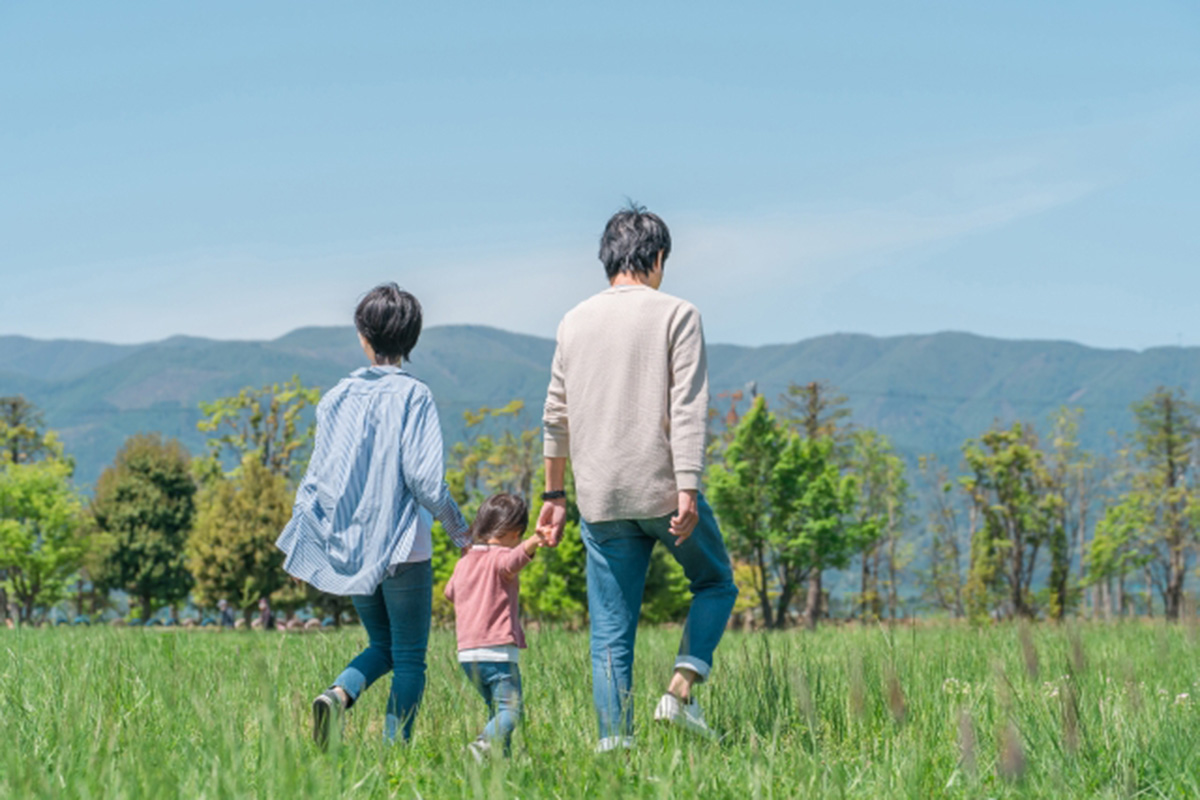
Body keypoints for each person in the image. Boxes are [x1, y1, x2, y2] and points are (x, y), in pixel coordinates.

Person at [537, 204, 739, 752]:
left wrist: (554, 495)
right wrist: (688, 485)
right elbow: (689, 406)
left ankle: (614, 749)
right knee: (715, 582)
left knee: (609, 631)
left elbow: (555, 415)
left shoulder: (573, 321)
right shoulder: (678, 314)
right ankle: (678, 693)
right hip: (663, 489)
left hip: (599, 498)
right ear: (658, 257)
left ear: (608, 258)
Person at [276, 282, 470, 748]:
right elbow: (424, 480)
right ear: (412, 339)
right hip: (404, 547)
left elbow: (316, 478)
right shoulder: (415, 395)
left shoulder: (335, 398)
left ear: (363, 336)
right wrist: (461, 532)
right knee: (409, 657)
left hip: (352, 548)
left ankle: (337, 695)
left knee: (382, 645)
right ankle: (394, 753)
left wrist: (302, 544)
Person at [444, 493, 545, 760]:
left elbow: (450, 592)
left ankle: (501, 765)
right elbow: (513, 561)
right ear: (515, 532)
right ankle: (480, 746)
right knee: (511, 711)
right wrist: (535, 540)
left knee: (496, 711)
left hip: (468, 655)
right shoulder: (502, 557)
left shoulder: (464, 561)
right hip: (497, 652)